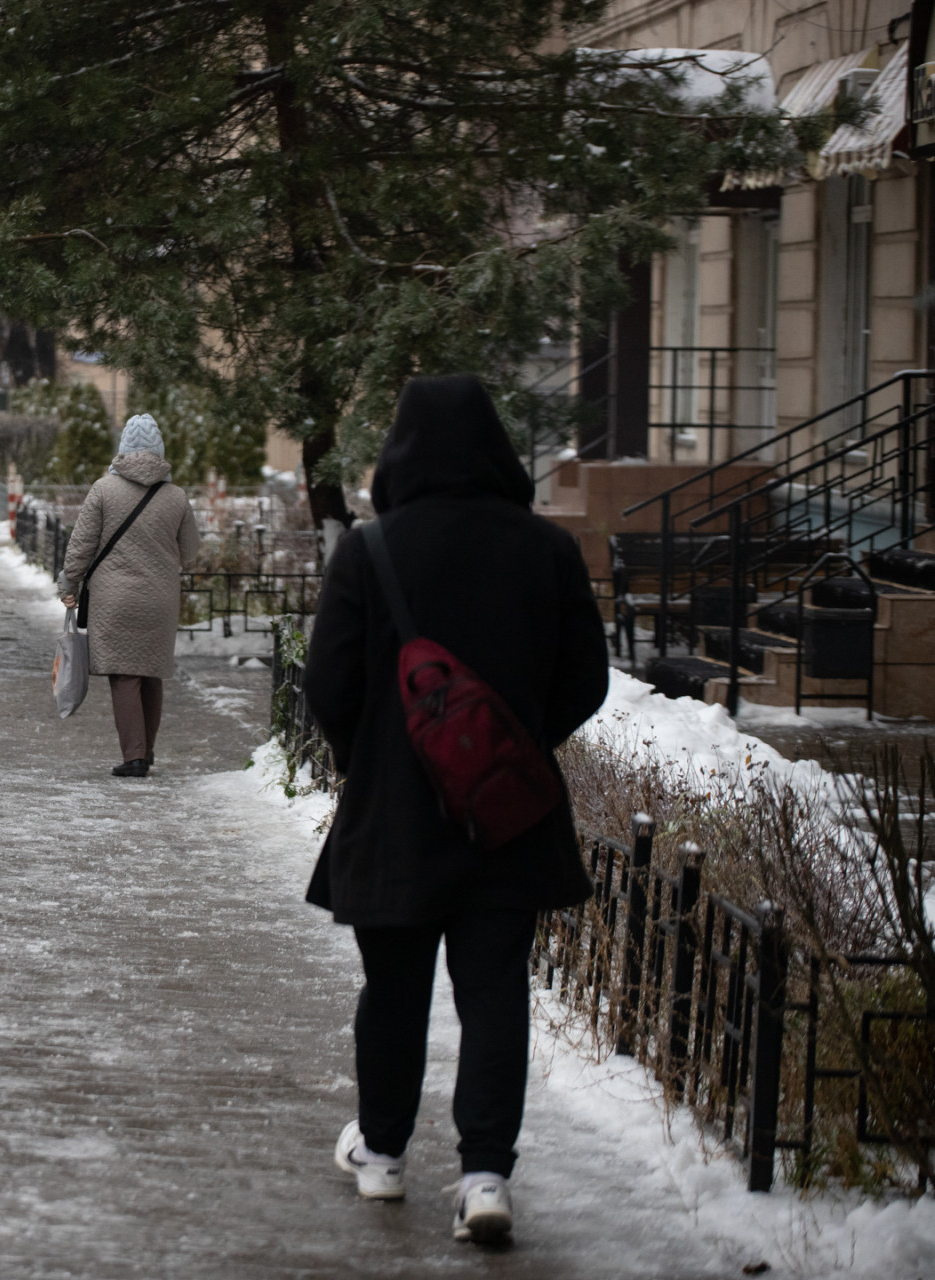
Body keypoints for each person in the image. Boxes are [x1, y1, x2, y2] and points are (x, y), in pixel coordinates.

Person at [302, 374, 608, 1243]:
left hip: (396, 817)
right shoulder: (546, 550)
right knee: (494, 991)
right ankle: (484, 1178)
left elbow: (329, 682)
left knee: (392, 989)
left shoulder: (371, 550)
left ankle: (386, 1157)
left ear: (399, 451)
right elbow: (586, 678)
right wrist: (508, 747)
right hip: (506, 817)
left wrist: (382, 758)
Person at [57, 414, 201, 777]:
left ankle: (134, 756)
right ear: (159, 452)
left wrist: (69, 584)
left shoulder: (103, 490)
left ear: (123, 450)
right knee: (150, 673)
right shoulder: (177, 498)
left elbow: (81, 546)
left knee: (124, 675)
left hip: (114, 600)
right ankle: (146, 752)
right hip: (160, 600)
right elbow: (191, 550)